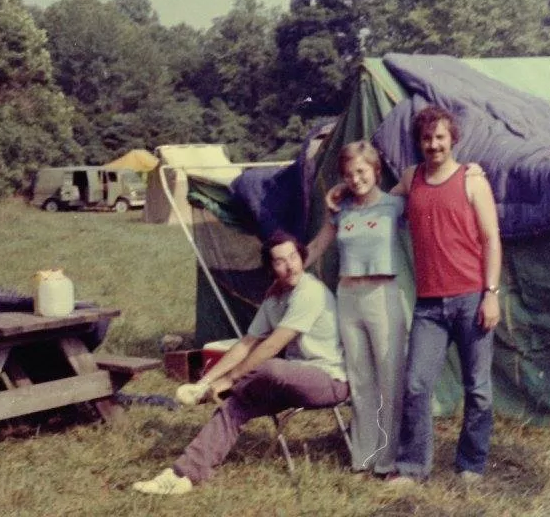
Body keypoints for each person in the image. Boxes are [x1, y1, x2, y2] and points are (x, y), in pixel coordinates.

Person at [132, 230, 348, 496]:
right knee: (235, 404)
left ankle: (223, 390)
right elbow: (246, 344)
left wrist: (231, 378)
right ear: (271, 267)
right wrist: (206, 381)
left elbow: (272, 345)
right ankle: (184, 474)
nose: (290, 265)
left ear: (302, 257)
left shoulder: (310, 291)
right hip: (291, 379)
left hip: (329, 380)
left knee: (268, 367)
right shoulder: (275, 299)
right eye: (280, 261)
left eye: (293, 256)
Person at [384, 104, 502, 485]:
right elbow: (377, 200)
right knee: (417, 385)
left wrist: (491, 294)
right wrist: (340, 190)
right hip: (430, 306)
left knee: (478, 389)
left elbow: (491, 240)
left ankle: (471, 465)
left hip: (472, 299)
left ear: (453, 139)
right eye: (426, 138)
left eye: (440, 137)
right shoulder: (410, 178)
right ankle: (412, 466)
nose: (433, 145)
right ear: (418, 142)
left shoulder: (472, 180)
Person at [305, 140, 409, 476]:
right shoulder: (341, 210)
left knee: (389, 377)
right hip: (348, 297)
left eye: (362, 171)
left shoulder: (395, 205)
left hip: (383, 295)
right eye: (348, 174)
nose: (355, 179)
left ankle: (388, 457)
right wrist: (289, 267)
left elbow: (414, 178)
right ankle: (362, 455)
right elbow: (320, 244)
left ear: (376, 171)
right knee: (361, 379)